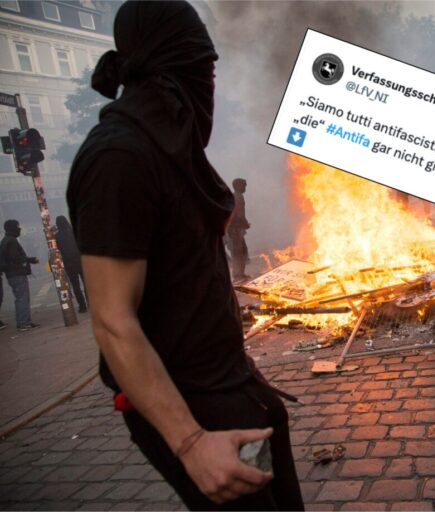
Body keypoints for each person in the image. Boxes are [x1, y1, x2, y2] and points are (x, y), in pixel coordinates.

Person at [66, 2, 304, 510]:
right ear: (170, 61)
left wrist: (245, 376)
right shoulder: (119, 158)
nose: (209, 82)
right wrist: (192, 444)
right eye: (203, 67)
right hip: (196, 413)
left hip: (230, 387)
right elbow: (112, 323)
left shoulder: (166, 149)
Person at [0, 220, 40, 331]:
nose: (20, 229)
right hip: (16, 273)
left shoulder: (5, 240)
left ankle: (23, 322)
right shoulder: (11, 241)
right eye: (18, 226)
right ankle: (24, 322)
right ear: (13, 228)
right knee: (22, 298)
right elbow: (14, 258)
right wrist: (29, 260)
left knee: (20, 298)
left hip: (12, 274)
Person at [54, 215, 87, 313]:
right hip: (81, 262)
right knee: (86, 284)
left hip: (69, 265)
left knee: (76, 286)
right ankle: (91, 303)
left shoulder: (57, 236)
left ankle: (82, 306)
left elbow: (57, 251)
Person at [228, 178, 250, 281]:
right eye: (244, 185)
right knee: (239, 252)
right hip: (236, 229)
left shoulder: (234, 196)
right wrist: (245, 224)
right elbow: (240, 214)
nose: (245, 187)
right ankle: (238, 275)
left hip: (235, 229)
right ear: (238, 186)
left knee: (241, 250)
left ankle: (240, 274)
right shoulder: (238, 197)